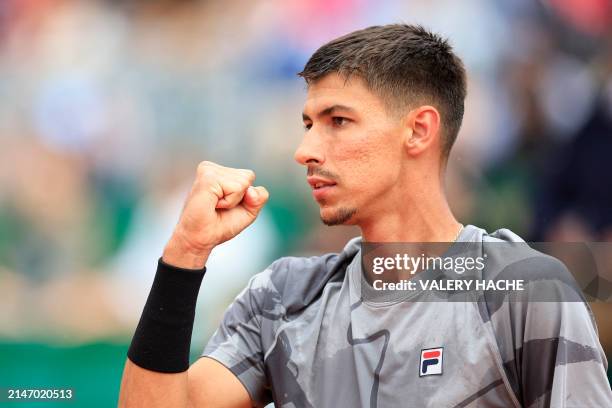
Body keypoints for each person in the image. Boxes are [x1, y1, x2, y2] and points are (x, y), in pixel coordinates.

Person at [118, 24, 612, 407]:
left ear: (419, 131)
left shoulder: (525, 289)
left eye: (338, 121)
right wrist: (185, 252)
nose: (306, 150)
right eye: (308, 124)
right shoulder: (281, 298)